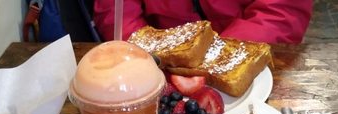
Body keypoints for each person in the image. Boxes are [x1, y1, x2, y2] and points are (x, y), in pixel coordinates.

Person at [93, 0, 313, 44]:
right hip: (162, 69)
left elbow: (281, 12)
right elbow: (118, 13)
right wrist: (148, 52)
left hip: (252, 67)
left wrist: (216, 57)